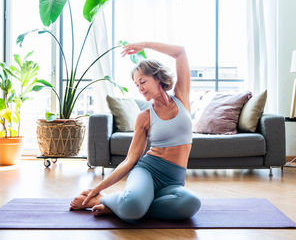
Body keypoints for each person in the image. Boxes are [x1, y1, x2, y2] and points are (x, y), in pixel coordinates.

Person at [70, 42, 201, 222]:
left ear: (157, 78)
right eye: (137, 85)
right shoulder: (144, 117)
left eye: (143, 81)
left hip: (173, 182)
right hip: (147, 172)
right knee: (133, 207)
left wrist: (145, 44)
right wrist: (97, 189)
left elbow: (180, 52)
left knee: (191, 203)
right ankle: (105, 200)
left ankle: (122, 206)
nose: (140, 88)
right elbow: (130, 160)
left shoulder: (181, 97)